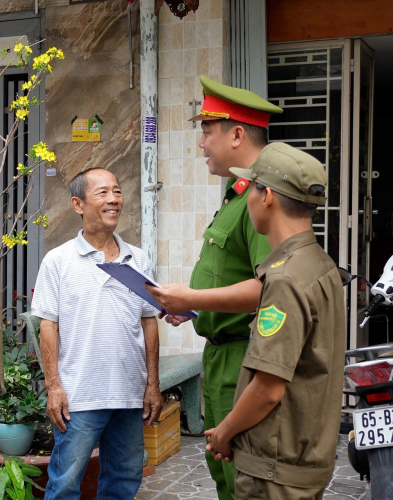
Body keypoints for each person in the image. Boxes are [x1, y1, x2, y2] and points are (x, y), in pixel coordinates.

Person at [146, 76, 282, 500]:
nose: (201, 143)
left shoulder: (262, 197)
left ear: (236, 134)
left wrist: (191, 298)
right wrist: (194, 310)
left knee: (243, 475)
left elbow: (270, 288)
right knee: (224, 470)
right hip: (221, 354)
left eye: (207, 131)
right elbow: (231, 275)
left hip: (245, 357)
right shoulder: (236, 195)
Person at [205, 142, 343, 500]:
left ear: (266, 197)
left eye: (251, 188)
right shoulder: (319, 263)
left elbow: (268, 389)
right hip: (303, 458)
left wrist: (224, 432)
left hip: (275, 469)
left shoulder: (284, 278)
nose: (248, 198)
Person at [31, 168, 162, 500]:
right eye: (102, 192)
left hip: (129, 394)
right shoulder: (58, 261)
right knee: (64, 485)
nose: (114, 199)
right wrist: (54, 387)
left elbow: (149, 322)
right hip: (79, 396)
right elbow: (48, 326)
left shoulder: (138, 259)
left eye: (117, 191)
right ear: (78, 204)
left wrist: (153, 384)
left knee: (124, 481)